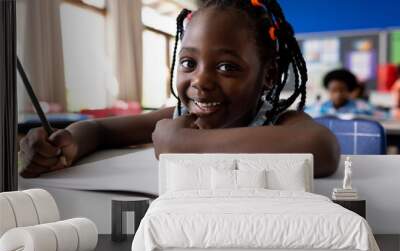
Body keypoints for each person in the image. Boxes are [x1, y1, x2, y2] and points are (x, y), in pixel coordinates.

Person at [19, 0, 340, 179]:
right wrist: (68, 142)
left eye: (227, 67)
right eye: (189, 63)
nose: (200, 81)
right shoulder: (183, 115)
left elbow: (322, 147)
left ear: (268, 76)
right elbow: (101, 130)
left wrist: (189, 143)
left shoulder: (275, 119)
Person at [305, 68, 374, 118]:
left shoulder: (362, 108)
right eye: (334, 90)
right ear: (328, 90)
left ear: (349, 90)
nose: (338, 94)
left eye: (342, 90)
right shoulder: (319, 108)